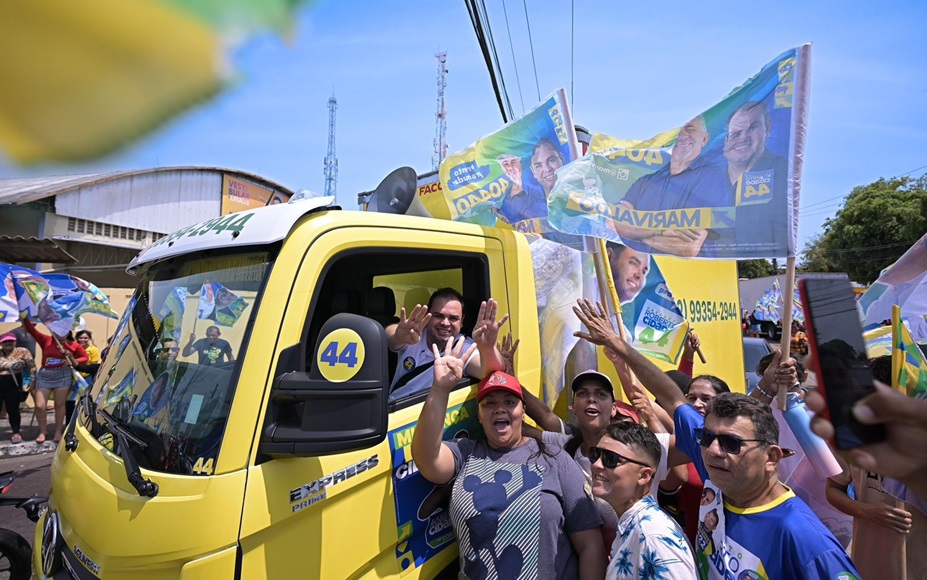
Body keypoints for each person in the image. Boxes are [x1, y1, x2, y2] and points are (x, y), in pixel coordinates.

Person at [572, 298, 861, 578]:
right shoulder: (716, 470)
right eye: (706, 437)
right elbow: (671, 397)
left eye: (731, 443)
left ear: (771, 458)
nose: (712, 450)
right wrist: (617, 345)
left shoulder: (805, 540)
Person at [411, 338, 605, 579]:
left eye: (510, 402)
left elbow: (591, 545)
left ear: (522, 412)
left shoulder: (556, 458)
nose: (500, 409)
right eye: (489, 403)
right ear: (479, 416)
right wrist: (440, 390)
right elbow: (427, 460)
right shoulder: (465, 452)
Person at [611, 116, 730, 257]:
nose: (682, 136)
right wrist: (661, 231)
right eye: (677, 132)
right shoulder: (645, 181)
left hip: (685, 276)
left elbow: (688, 247)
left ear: (705, 138)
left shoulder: (711, 176)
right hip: (637, 275)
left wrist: (635, 233)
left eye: (690, 129)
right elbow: (613, 224)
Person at [591, 421, 695, 579]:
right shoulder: (636, 526)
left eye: (610, 458)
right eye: (595, 454)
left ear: (644, 476)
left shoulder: (653, 536)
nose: (597, 465)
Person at [386, 288, 506, 401]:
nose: (445, 323)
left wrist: (487, 348)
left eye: (453, 318)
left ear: (462, 321)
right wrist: (398, 336)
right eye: (438, 316)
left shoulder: (463, 346)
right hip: (395, 416)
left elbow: (491, 372)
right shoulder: (413, 334)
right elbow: (389, 336)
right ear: (428, 316)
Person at [722, 101, 789, 250]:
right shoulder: (707, 180)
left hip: (761, 257)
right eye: (736, 134)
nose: (744, 138)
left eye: (752, 127)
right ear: (726, 141)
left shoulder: (785, 174)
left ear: (768, 128)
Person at [23, 319, 88, 444]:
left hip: (63, 375)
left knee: (59, 404)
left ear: (68, 332)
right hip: (45, 375)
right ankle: (43, 431)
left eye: (63, 331)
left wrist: (70, 357)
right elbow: (31, 330)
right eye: (58, 330)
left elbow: (85, 357)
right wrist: (25, 316)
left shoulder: (73, 345)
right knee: (40, 405)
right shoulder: (46, 340)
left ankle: (58, 431)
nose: (60, 333)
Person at [0, 333, 35, 444]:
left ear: (15, 341)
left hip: (13, 384)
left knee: (13, 409)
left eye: (10, 341)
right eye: (5, 341)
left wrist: (32, 380)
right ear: (1, 343)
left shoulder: (22, 351)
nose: (8, 343)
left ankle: (16, 433)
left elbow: (32, 367)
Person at [496, 153, 546, 225]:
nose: (510, 167)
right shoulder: (502, 198)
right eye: (505, 164)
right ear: (502, 169)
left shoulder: (538, 187)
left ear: (520, 163)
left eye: (513, 162)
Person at [69, 329, 102, 421]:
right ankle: (69, 420)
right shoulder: (73, 348)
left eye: (85, 338)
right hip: (73, 377)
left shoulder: (93, 349)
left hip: (86, 378)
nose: (83, 340)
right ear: (77, 338)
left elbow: (93, 365)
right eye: (81, 338)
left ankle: (82, 420)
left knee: (85, 400)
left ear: (89, 339)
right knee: (70, 400)